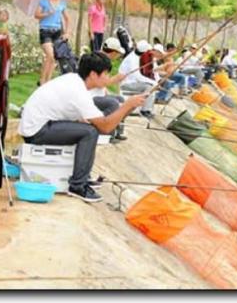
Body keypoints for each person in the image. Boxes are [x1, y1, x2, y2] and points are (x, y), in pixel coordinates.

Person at [18, 52, 147, 203]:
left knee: (107, 108)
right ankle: (78, 186)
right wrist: (127, 106)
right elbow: (105, 128)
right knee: (90, 132)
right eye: (105, 74)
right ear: (93, 74)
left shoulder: (75, 80)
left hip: (44, 122)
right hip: (37, 131)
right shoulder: (78, 92)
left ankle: (84, 175)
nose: (107, 78)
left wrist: (123, 109)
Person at [89, 37, 128, 142]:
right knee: (113, 103)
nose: (118, 56)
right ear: (113, 52)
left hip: (100, 94)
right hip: (91, 96)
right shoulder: (97, 61)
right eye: (118, 53)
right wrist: (116, 79)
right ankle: (107, 133)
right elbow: (98, 83)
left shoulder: (105, 61)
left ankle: (117, 131)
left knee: (120, 99)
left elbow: (103, 85)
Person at [34, 0, 71, 86]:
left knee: (53, 57)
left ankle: (47, 82)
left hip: (57, 32)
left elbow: (67, 19)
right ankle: (42, 80)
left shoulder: (63, 3)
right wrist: (46, 13)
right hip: (45, 31)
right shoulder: (44, 1)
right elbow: (36, 15)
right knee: (50, 55)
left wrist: (67, 33)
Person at [118, 40, 156, 118]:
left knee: (150, 85)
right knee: (149, 87)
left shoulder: (136, 56)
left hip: (133, 82)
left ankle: (145, 108)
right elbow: (137, 76)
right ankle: (145, 110)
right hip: (127, 83)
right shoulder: (132, 59)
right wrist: (152, 82)